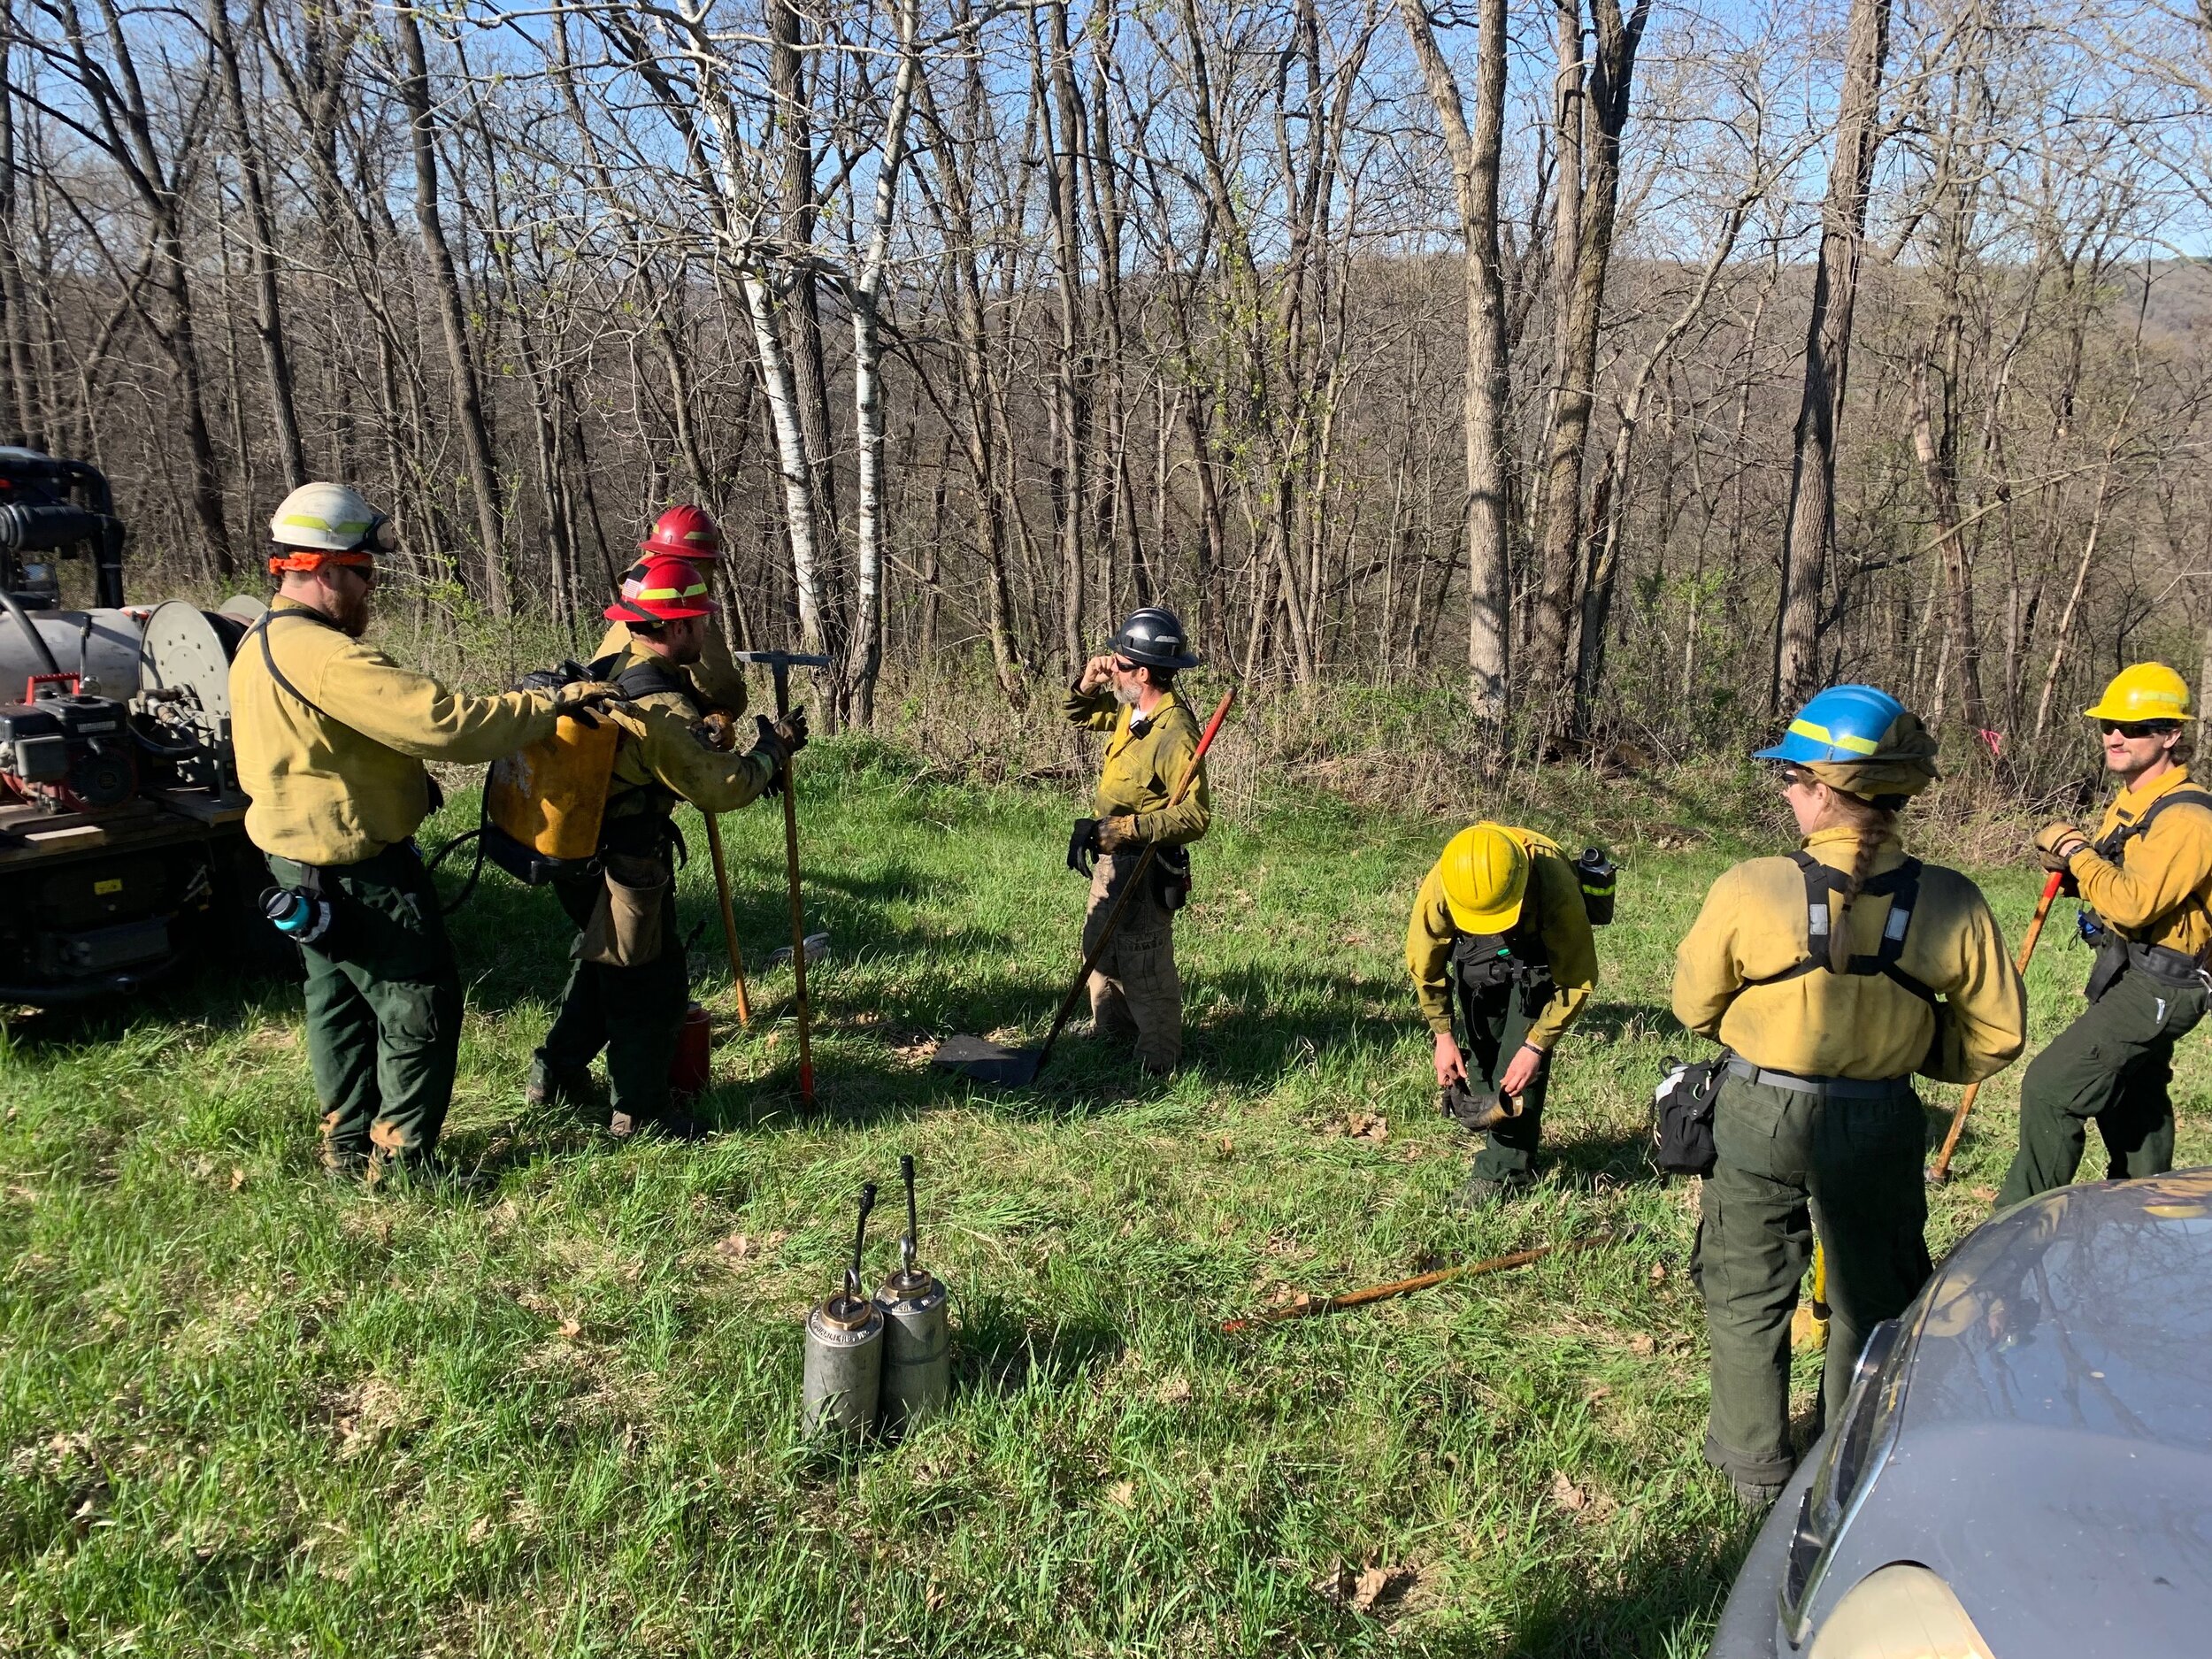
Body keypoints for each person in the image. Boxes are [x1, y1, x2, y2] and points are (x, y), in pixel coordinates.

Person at [1672, 685, 2025, 1506]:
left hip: (1759, 1109)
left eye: (1793, 778)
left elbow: (1694, 1007)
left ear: (1827, 791)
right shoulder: (1952, 898)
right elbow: (1996, 1035)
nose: (1787, 792)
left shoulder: (1753, 885)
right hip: (1879, 1116)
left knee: (1746, 1283)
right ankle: (1849, 1464)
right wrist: (1910, 1047)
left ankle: (1750, 1467)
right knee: (1875, 1295)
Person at [230, 482, 615, 1179]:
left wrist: (397, 779)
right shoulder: (325, 654)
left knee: (339, 1005)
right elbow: (445, 721)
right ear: (320, 569)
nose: (371, 592)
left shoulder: (259, 639)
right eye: (365, 575)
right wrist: (549, 704)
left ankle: (346, 1149)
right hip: (358, 871)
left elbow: (320, 747)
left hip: (296, 865)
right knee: (419, 1005)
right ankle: (405, 1162)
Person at [527, 557, 805, 1136]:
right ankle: (643, 1112)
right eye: (700, 621)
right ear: (677, 627)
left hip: (574, 850)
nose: (706, 633)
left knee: (608, 971)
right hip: (622, 863)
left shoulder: (619, 660)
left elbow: (677, 752)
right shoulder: (661, 708)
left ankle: (553, 1074)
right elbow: (721, 787)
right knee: (650, 987)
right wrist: (772, 751)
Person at [1998, 663, 2212, 1207]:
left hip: (2163, 983)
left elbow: (2134, 903)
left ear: (2171, 735)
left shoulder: (2189, 819)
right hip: (2128, 967)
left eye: (2135, 727)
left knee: (2051, 1087)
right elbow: (2117, 880)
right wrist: (2075, 871)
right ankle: (2140, 1207)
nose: (2115, 736)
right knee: (2133, 1097)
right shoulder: (2134, 801)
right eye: (2108, 724)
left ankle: (2020, 1225)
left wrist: (2075, 850)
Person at [1406, 822, 1598, 1208]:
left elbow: (1577, 978)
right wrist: (1443, 1036)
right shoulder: (1445, 883)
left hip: (1537, 959)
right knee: (1482, 1064)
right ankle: (1500, 1131)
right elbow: (1425, 965)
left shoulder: (1554, 883)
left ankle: (1504, 1172)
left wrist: (1536, 1047)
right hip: (1477, 959)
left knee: (1515, 1070)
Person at [1064, 606, 1211, 1073]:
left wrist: (1128, 829)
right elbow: (1078, 715)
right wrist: (1087, 682)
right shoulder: (1133, 711)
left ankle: (1158, 1061)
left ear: (1143, 672)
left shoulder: (1175, 734)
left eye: (1120, 662)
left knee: (1145, 964)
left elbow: (1196, 816)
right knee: (1100, 948)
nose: (1113, 667)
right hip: (1111, 855)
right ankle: (1112, 1034)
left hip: (1145, 863)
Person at [595, 505, 749, 715]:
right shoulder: (684, 615)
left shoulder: (634, 602)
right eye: (709, 565)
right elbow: (721, 691)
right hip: (657, 725)